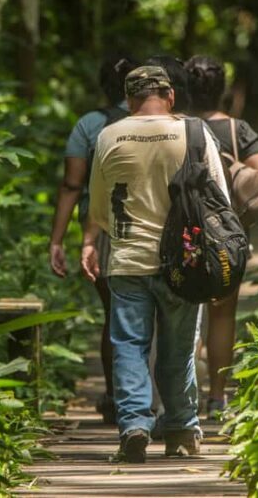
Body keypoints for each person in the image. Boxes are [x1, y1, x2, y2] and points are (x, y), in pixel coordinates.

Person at [80, 66, 230, 463]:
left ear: (129, 100)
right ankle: (180, 431)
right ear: (170, 96)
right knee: (178, 350)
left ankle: (133, 425)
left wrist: (92, 243)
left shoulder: (108, 135)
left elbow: (97, 206)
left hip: (128, 260)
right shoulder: (195, 132)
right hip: (187, 260)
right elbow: (221, 201)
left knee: (128, 346)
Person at [184, 55, 258, 419]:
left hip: (186, 236)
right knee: (223, 316)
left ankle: (184, 396)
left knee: (184, 315)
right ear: (221, 90)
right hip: (229, 239)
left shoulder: (180, 127)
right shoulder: (237, 130)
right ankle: (218, 398)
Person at [48, 55, 136, 424]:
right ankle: (148, 399)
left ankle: (117, 397)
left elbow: (72, 185)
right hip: (151, 226)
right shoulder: (161, 123)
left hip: (99, 227)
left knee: (116, 314)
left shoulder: (89, 125)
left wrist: (56, 240)